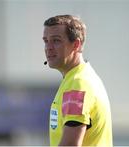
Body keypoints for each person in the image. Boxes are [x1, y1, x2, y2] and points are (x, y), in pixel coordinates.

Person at [42, 14, 113, 146]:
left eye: (56, 40)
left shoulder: (78, 84)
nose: (48, 47)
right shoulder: (79, 77)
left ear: (76, 44)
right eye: (46, 41)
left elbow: (70, 144)